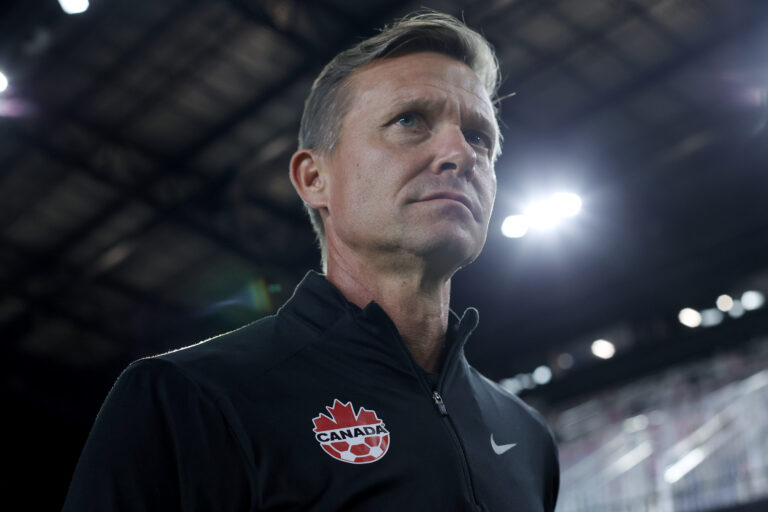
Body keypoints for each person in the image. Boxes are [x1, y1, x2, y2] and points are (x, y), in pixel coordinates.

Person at [63, 10, 559, 511]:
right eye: (409, 120)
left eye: (479, 137)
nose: (461, 153)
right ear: (314, 179)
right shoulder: (187, 398)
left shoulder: (527, 436)